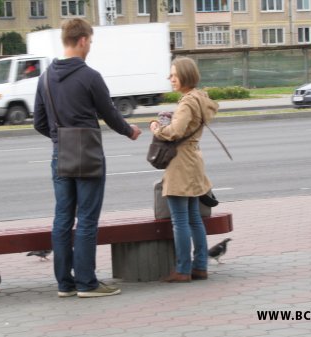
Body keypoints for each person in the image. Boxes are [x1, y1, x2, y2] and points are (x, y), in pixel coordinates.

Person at [33, 18, 141, 298]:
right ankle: (87, 284)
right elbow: (110, 113)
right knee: (87, 220)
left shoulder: (44, 78)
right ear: (82, 40)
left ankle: (64, 285)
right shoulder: (90, 76)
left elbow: (39, 123)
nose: (90, 47)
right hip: (89, 155)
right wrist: (130, 131)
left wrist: (60, 139)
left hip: (60, 155)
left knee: (62, 219)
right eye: (90, 41)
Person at [149, 57, 218, 282]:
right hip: (194, 160)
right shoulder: (200, 98)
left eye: (174, 75)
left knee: (180, 220)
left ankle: (182, 269)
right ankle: (200, 266)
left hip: (180, 163)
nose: (171, 79)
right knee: (194, 219)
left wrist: (158, 129)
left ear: (185, 76)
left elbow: (176, 131)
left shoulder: (187, 102)